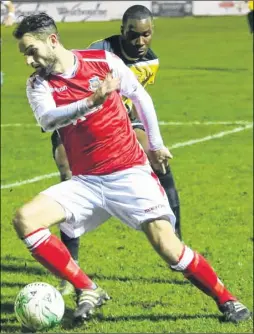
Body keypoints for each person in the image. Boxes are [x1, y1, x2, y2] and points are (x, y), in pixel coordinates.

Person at [13, 13, 250, 324]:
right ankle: (88, 289)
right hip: (86, 181)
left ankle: (228, 300)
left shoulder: (103, 61)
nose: (29, 61)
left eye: (31, 51)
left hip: (129, 172)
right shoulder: (39, 84)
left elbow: (140, 96)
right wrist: (91, 100)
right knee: (25, 219)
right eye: (24, 54)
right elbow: (47, 119)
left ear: (52, 41)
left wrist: (156, 143)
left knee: (168, 246)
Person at [53, 5, 182, 295]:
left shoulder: (151, 61)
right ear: (122, 30)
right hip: (77, 121)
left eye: (146, 35)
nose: (140, 42)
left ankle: (176, 241)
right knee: (68, 174)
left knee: (159, 162)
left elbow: (135, 100)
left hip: (118, 120)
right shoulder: (98, 51)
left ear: (153, 32)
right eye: (133, 35)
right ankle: (69, 268)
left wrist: (154, 144)